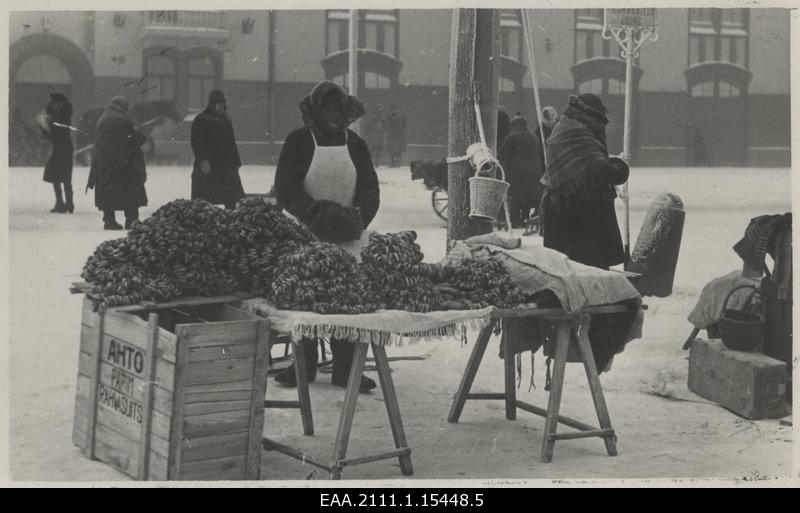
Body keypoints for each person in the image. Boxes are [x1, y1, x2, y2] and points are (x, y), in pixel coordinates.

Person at [274, 81, 380, 393]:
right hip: (307, 234)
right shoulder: (298, 142)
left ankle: (346, 369)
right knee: (306, 299)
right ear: (316, 111)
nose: (334, 116)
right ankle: (303, 364)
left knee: (345, 301)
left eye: (339, 110)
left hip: (348, 236)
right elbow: (286, 188)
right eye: (328, 110)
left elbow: (370, 189)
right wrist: (314, 214)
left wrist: (356, 218)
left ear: (345, 111)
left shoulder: (356, 145)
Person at [540, 94, 629, 270]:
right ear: (592, 113)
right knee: (587, 267)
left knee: (566, 266)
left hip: (561, 205)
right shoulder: (579, 130)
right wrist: (618, 168)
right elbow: (596, 166)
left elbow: (588, 162)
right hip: (579, 210)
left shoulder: (565, 125)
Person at [87, 96, 148, 230]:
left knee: (108, 193)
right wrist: (141, 136)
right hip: (123, 163)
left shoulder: (104, 118)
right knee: (130, 192)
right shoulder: (121, 119)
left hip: (104, 163)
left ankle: (109, 221)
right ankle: (131, 219)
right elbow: (132, 139)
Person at [190, 89, 244, 209]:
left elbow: (231, 143)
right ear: (212, 104)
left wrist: (236, 162)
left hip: (225, 165)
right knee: (204, 199)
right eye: (218, 104)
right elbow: (197, 142)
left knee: (231, 196)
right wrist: (203, 159)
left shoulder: (226, 120)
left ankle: (230, 219)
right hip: (209, 165)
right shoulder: (201, 119)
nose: (221, 107)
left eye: (223, 104)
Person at [498, 115, 544, 228]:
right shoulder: (534, 137)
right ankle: (525, 217)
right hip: (533, 170)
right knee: (528, 195)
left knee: (514, 195)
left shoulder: (511, 137)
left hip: (516, 171)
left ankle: (515, 220)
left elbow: (502, 154)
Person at [41, 92, 74, 213]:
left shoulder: (62, 114)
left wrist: (46, 127)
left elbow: (56, 132)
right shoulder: (64, 112)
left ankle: (63, 203)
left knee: (60, 176)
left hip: (61, 148)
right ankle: (66, 203)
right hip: (63, 147)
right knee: (63, 177)